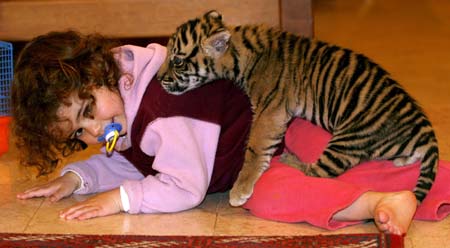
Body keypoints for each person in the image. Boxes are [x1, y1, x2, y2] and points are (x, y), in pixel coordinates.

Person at [12, 31, 450, 236]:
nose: (95, 129)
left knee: (367, 163)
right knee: (272, 198)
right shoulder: (117, 112)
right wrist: (79, 178)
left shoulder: (165, 105)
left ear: (108, 75)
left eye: (88, 111)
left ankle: (423, 184)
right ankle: (380, 205)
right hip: (259, 161)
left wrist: (123, 199)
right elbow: (122, 156)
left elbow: (185, 188)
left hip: (292, 127)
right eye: (79, 131)